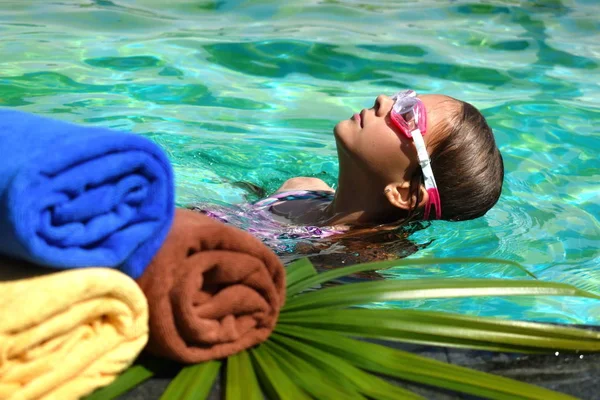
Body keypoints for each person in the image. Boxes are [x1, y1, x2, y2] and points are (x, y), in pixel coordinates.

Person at [191, 89, 504, 263]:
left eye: (408, 115)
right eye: (402, 97)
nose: (383, 100)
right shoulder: (301, 188)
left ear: (405, 193)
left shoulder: (342, 263)